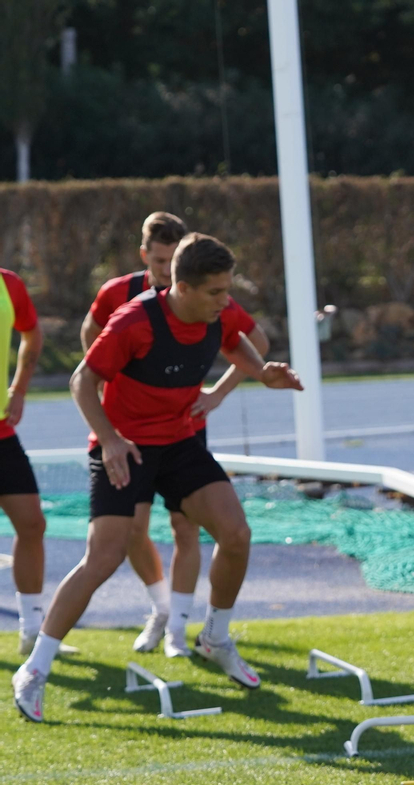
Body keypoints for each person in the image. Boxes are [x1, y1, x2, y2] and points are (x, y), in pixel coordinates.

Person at [12, 234, 303, 722]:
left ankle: (215, 637)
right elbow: (81, 380)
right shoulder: (134, 321)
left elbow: (239, 344)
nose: (225, 301)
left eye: (227, 290)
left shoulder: (221, 314)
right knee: (102, 558)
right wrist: (109, 440)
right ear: (181, 287)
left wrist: (260, 373)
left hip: (180, 442)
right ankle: (36, 668)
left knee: (236, 534)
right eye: (214, 292)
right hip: (125, 447)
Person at [81, 211, 261, 656]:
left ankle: (183, 630)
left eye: (171, 259)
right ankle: (161, 608)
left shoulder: (210, 300)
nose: (164, 269)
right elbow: (90, 343)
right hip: (130, 433)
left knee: (189, 526)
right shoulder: (122, 297)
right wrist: (111, 390)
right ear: (146, 256)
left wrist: (217, 393)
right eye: (158, 261)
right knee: (131, 531)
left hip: (183, 429)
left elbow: (253, 342)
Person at [0, 268, 49, 654]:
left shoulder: (9, 283)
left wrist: (18, 388)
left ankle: (32, 630)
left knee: (32, 524)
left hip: (2, 432)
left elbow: (32, 332)